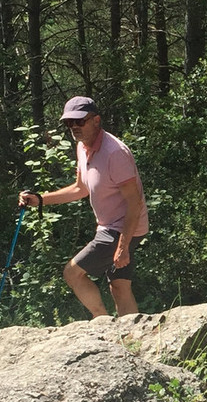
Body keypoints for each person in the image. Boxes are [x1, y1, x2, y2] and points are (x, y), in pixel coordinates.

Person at [19, 96, 150, 318]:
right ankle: (131, 338)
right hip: (111, 226)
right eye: (69, 123)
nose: (74, 127)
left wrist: (122, 246)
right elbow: (80, 189)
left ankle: (103, 323)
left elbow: (134, 203)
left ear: (96, 120)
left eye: (79, 121)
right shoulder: (83, 147)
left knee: (72, 273)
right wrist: (41, 199)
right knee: (119, 285)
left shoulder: (115, 153)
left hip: (122, 228)